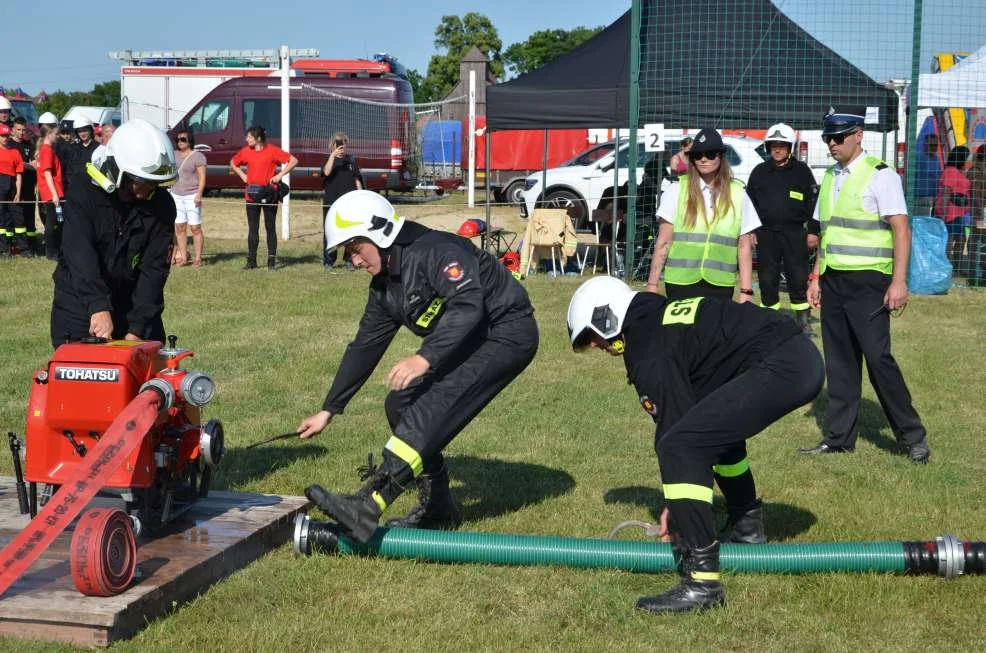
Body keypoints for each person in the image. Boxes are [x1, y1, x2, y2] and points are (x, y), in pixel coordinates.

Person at [567, 276, 823, 614]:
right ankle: (747, 528)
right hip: (796, 356)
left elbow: (673, 430)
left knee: (679, 446)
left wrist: (678, 507)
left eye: (592, 337)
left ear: (607, 316)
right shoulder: (655, 316)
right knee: (710, 433)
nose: (596, 346)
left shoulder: (647, 350)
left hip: (784, 365)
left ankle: (702, 582)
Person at [297, 190, 539, 544]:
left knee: (430, 407)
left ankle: (369, 503)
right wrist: (329, 409)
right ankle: (438, 506)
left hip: (506, 332)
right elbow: (365, 346)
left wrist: (424, 357)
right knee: (400, 404)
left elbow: (468, 304)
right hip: (471, 338)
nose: (354, 261)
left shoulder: (434, 251)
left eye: (354, 249)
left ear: (378, 233)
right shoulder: (385, 288)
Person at [800, 106, 930, 463]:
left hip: (870, 281)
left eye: (838, 137)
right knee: (840, 364)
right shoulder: (829, 177)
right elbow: (826, 234)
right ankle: (840, 438)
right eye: (828, 137)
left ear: (859, 135)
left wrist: (899, 281)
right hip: (834, 279)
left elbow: (901, 228)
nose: (831, 143)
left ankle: (912, 436)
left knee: (878, 360)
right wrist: (816, 277)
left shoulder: (881, 175)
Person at [50, 118, 178, 348]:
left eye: (156, 184)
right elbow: (79, 254)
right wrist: (98, 307)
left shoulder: (162, 205)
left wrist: (137, 328)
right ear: (120, 173)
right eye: (145, 181)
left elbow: (154, 269)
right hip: (80, 300)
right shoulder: (83, 193)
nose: (151, 189)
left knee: (149, 377)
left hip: (131, 301)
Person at [645, 128, 760, 302]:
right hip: (680, 283)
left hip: (720, 285)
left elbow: (744, 247)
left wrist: (746, 291)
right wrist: (652, 284)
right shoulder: (676, 190)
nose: (704, 159)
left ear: (720, 157)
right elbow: (663, 242)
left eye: (711, 154)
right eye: (698, 155)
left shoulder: (738, 193)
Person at [745, 123, 819, 332]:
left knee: (797, 276)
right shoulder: (759, 172)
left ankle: (802, 320)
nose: (777, 149)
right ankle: (770, 318)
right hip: (765, 234)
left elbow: (815, 203)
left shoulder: (802, 172)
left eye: (782, 145)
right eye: (773, 145)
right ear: (768, 148)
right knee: (767, 278)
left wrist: (813, 230)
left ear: (790, 148)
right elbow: (748, 205)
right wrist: (750, 231)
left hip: (795, 233)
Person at [229, 125, 297, 270]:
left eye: (249, 137)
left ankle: (271, 262)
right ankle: (251, 261)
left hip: (269, 194)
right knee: (253, 229)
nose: (246, 139)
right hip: (251, 195)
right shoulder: (246, 151)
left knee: (270, 228)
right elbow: (232, 162)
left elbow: (293, 161)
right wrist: (242, 174)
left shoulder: (272, 150)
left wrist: (279, 175)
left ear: (258, 139)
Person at [321, 131, 363, 270]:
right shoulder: (327, 160)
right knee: (330, 232)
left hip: (349, 202)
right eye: (338, 144)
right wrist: (333, 155)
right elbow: (326, 172)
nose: (341, 148)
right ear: (332, 145)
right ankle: (329, 261)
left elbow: (357, 179)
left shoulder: (351, 161)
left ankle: (349, 259)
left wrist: (360, 196)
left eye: (343, 145)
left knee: (350, 231)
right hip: (331, 202)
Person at [169, 129, 207, 268]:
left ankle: (198, 258)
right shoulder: (173, 155)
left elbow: (202, 177)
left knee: (195, 227)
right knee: (179, 227)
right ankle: (183, 257)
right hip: (176, 195)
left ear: (190, 141)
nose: (179, 142)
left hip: (192, 195)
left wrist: (199, 194)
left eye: (183, 139)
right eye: (177, 140)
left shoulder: (198, 156)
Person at [936, 145, 971, 266]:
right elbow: (946, 193)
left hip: (958, 213)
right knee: (949, 241)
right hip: (949, 214)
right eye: (966, 158)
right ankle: (946, 266)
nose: (968, 160)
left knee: (961, 240)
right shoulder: (950, 171)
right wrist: (944, 214)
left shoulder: (958, 172)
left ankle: (956, 266)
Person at [9, 118, 38, 256]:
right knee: (15, 216)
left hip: (29, 186)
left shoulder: (29, 145)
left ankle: (32, 244)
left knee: (30, 215)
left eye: (23, 130)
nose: (21, 133)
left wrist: (36, 184)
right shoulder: (8, 145)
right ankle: (15, 245)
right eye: (18, 130)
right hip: (13, 185)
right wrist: (25, 164)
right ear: (13, 130)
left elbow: (35, 165)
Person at [36, 124, 64, 260]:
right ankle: (51, 251)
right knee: (52, 223)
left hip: (51, 191)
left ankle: (54, 250)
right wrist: (54, 194)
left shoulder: (44, 149)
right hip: (52, 192)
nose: (57, 137)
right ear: (49, 134)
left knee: (55, 221)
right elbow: (47, 173)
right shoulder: (47, 150)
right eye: (56, 134)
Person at [0, 123, 23, 257]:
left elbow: (19, 174)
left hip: (12, 186)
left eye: (7, 136)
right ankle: (3, 249)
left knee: (16, 218)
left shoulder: (15, 152)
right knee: (1, 218)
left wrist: (18, 193)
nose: (5, 138)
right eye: (2, 136)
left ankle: (23, 248)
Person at [913, 134, 941, 217]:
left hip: (934, 199)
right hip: (920, 199)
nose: (934, 147)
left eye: (935, 145)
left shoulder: (937, 159)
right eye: (931, 145)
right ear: (925, 145)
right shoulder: (918, 158)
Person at [968, 145, 986, 225]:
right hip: (977, 210)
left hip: (979, 208)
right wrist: (981, 210)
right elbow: (975, 192)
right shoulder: (977, 171)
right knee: (977, 234)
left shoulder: (980, 169)